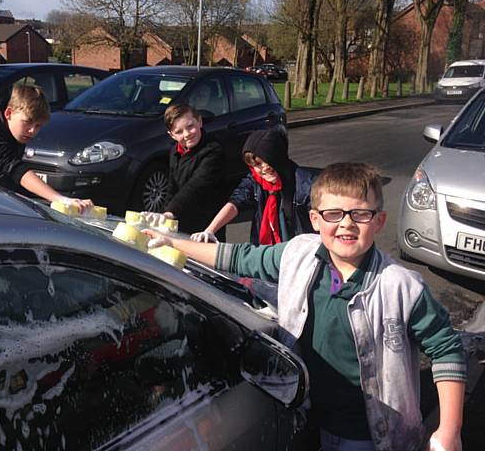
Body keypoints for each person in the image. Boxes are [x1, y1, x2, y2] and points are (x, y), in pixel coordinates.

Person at [143, 162, 466, 451]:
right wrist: (171, 243)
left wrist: (449, 430)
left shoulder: (402, 286)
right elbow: (237, 258)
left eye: (361, 214)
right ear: (314, 219)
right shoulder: (298, 255)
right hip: (310, 416)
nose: (346, 224)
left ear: (379, 221)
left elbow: (446, 349)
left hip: (371, 433)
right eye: (333, 214)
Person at [0, 84, 93, 212]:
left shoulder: (14, 131)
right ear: (8, 113)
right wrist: (60, 199)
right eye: (27, 122)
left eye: (38, 125)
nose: (32, 131)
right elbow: (14, 169)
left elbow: (12, 179)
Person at [190, 126, 316, 244]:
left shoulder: (306, 185)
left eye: (269, 161)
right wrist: (210, 230)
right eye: (257, 165)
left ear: (279, 157)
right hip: (267, 251)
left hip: (299, 252)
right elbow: (235, 202)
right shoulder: (255, 181)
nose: (264, 168)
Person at [141, 103, 226, 236]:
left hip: (206, 224)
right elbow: (172, 186)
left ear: (199, 121)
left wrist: (170, 212)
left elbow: (196, 185)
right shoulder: (175, 151)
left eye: (190, 126)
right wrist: (165, 213)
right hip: (180, 218)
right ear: (172, 135)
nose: (187, 134)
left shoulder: (213, 150)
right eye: (179, 132)